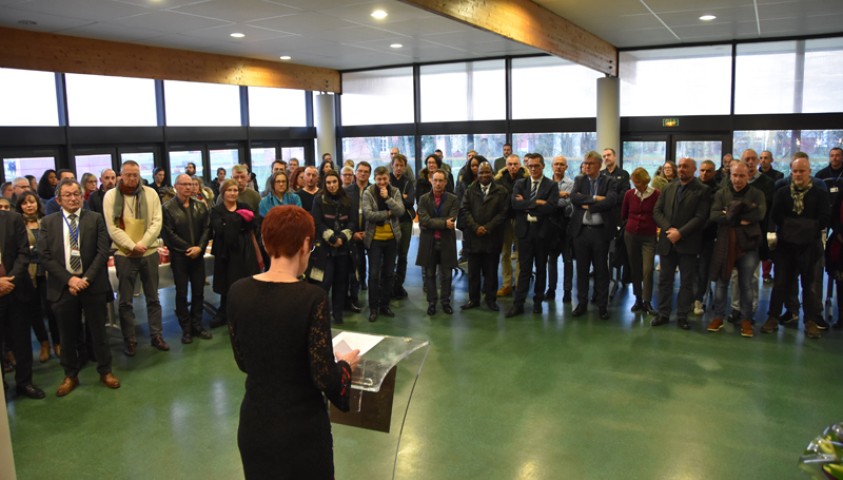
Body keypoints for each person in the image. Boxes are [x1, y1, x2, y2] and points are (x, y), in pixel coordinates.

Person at [227, 205, 359, 479]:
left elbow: (243, 361)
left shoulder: (238, 292)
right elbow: (324, 376)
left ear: (265, 242)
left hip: (255, 424)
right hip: (301, 429)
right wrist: (345, 366)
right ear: (306, 244)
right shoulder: (312, 298)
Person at [39, 178, 120, 397]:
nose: (73, 198)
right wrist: (70, 280)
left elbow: (103, 252)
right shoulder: (48, 222)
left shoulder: (94, 219)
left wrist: (85, 278)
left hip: (92, 285)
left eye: (76, 193)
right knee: (67, 335)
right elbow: (44, 257)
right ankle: (70, 375)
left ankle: (105, 371)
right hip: (63, 287)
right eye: (68, 195)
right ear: (58, 199)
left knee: (98, 333)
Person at [103, 160, 167, 357]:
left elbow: (157, 222)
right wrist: (132, 246)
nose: (132, 178)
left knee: (153, 297)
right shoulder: (111, 196)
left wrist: (144, 244)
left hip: (148, 252)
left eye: (136, 174)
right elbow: (112, 227)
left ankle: (156, 335)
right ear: (121, 175)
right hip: (125, 254)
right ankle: (129, 339)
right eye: (128, 174)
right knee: (125, 301)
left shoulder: (151, 193)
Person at [761, 156, 828, 338]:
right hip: (785, 247)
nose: (798, 174)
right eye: (795, 171)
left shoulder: (820, 194)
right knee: (781, 283)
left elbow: (824, 219)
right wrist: (800, 226)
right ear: (791, 172)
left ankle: (811, 321)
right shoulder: (782, 193)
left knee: (809, 285)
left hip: (809, 247)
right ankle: (773, 317)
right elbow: (775, 216)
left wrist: (797, 227)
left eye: (802, 171)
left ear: (809, 172)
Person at [707, 161, 766, 338]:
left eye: (742, 175)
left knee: (746, 283)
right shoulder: (721, 193)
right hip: (725, 242)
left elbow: (759, 215)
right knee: (722, 282)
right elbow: (714, 215)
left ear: (748, 175)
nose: (738, 179)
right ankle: (718, 316)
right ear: (729, 175)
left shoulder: (757, 194)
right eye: (735, 175)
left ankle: (746, 319)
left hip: (748, 245)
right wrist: (741, 216)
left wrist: (730, 214)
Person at [651, 158, 710, 330]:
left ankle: (682, 315)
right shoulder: (669, 187)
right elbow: (657, 210)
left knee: (686, 282)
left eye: (686, 167)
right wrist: (669, 229)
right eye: (680, 166)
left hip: (688, 243)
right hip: (667, 241)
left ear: (694, 169)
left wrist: (680, 233)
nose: (682, 169)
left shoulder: (702, 190)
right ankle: (663, 313)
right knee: (664, 280)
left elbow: (700, 217)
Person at [0, 196, 46, 400]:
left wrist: (9, 280)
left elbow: (23, 253)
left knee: (22, 339)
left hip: (17, 287)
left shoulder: (13, 219)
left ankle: (24, 382)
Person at [506, 153, 560, 317]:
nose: (534, 169)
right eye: (530, 166)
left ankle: (538, 301)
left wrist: (527, 204)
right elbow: (515, 204)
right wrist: (537, 202)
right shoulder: (520, 183)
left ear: (543, 166)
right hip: (525, 233)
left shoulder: (551, 185)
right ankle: (518, 304)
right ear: (527, 166)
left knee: (541, 269)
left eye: (537, 165)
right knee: (524, 270)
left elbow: (551, 207)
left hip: (543, 233)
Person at [162, 174, 213, 344]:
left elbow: (207, 228)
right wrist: (187, 248)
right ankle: (186, 328)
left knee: (199, 291)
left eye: (191, 184)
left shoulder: (200, 206)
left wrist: (199, 247)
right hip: (180, 257)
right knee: (182, 293)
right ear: (176, 186)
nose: (188, 187)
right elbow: (168, 233)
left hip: (198, 255)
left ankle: (197, 325)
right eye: (184, 184)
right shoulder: (167, 208)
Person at [569, 151, 618, 319]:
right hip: (581, 232)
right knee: (581, 269)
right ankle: (582, 303)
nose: (586, 166)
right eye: (585, 163)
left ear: (599, 165)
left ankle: (602, 305)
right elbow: (574, 198)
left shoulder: (609, 181)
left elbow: (611, 200)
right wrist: (597, 199)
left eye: (590, 163)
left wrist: (589, 204)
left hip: (600, 233)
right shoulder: (579, 180)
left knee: (601, 270)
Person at [210, 179, 262, 328]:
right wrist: (240, 218)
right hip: (226, 253)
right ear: (223, 193)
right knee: (227, 284)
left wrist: (230, 222)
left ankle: (246, 312)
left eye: (235, 190)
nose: (233, 193)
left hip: (245, 250)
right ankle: (225, 313)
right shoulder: (217, 210)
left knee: (246, 282)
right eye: (229, 190)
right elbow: (219, 229)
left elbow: (253, 223)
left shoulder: (244, 206)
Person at [16, 192, 59, 363]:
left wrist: (36, 249)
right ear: (20, 206)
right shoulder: (17, 224)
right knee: (34, 311)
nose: (29, 205)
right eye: (25, 203)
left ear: (37, 204)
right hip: (28, 273)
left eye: (32, 202)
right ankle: (44, 343)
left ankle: (57, 342)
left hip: (48, 271)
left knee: (51, 309)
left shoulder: (46, 221)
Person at [459, 160, 508, 311]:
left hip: (492, 237)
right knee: (473, 273)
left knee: (491, 272)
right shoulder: (470, 190)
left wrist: (487, 228)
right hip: (473, 238)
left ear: (492, 174)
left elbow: (503, 213)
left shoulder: (501, 191)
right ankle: (473, 300)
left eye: (487, 172)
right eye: (481, 172)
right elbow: (465, 210)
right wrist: (475, 227)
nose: (484, 175)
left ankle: (490, 300)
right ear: (477, 174)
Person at [311, 171, 353, 325]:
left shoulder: (348, 200)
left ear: (339, 182)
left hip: (343, 248)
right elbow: (317, 222)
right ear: (324, 184)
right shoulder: (318, 200)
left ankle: (338, 313)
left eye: (334, 181)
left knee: (341, 282)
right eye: (328, 182)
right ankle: (321, 314)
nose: (332, 185)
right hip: (324, 249)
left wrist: (342, 237)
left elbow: (352, 222)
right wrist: (330, 237)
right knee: (324, 283)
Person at [362, 166, 404, 322]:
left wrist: (388, 199)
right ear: (374, 178)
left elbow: (400, 211)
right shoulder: (368, 192)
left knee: (388, 274)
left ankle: (385, 305)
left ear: (388, 178)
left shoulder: (395, 192)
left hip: (391, 239)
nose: (381, 182)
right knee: (373, 275)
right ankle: (373, 308)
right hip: (375, 240)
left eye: (384, 179)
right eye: (379, 179)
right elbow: (368, 214)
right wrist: (387, 214)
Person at [417, 170, 459, 315]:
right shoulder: (423, 199)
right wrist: (442, 223)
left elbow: (452, 220)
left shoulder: (453, 199)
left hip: (446, 241)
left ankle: (446, 302)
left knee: (446, 274)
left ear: (446, 182)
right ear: (431, 181)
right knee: (429, 274)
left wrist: (430, 223)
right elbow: (423, 220)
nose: (438, 183)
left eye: (441, 181)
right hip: (429, 242)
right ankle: (432, 302)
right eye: (435, 180)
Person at [621, 167, 659, 315]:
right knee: (634, 268)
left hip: (649, 236)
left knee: (648, 269)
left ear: (645, 181)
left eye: (638, 182)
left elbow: (658, 213)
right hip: (631, 235)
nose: (635, 185)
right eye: (634, 182)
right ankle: (637, 299)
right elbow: (624, 213)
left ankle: (647, 300)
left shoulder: (656, 194)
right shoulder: (629, 194)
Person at [494, 154, 527, 297]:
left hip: (521, 219)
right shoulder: (499, 180)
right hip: (505, 220)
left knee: (521, 253)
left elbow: (528, 198)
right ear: (506, 165)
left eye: (515, 164)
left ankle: (519, 284)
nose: (513, 167)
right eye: (510, 164)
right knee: (505, 253)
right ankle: (507, 284)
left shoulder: (526, 179)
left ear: (519, 165)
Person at [546, 155, 575, 303]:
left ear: (566, 167)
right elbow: (546, 203)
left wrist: (550, 199)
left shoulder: (571, 184)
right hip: (550, 226)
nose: (558, 167)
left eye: (562, 165)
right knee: (551, 260)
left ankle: (567, 290)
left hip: (566, 225)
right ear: (551, 166)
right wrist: (558, 195)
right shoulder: (545, 183)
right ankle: (551, 289)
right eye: (556, 164)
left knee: (567, 260)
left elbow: (566, 203)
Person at [693, 160, 720, 315]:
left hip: (708, 234)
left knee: (704, 269)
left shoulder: (718, 190)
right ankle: (690, 298)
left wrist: (699, 226)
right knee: (690, 269)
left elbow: (714, 214)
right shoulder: (693, 186)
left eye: (708, 171)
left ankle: (699, 300)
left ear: (714, 172)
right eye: (702, 170)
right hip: (690, 234)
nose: (705, 173)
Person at [345, 162, 371, 313]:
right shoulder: (347, 191)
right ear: (355, 173)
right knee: (354, 262)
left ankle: (365, 280)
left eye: (366, 171)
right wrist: (352, 232)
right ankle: (354, 298)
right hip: (352, 233)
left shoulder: (373, 190)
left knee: (370, 263)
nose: (362, 174)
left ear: (369, 174)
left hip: (370, 232)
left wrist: (368, 231)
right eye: (360, 171)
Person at [389, 153, 415, 300]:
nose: (399, 168)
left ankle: (399, 284)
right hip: (390, 221)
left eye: (401, 165)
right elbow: (384, 199)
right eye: (396, 165)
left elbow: (410, 201)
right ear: (392, 165)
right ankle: (389, 284)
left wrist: (395, 198)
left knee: (403, 255)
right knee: (391, 255)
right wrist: (401, 197)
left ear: (405, 167)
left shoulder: (409, 182)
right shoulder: (386, 180)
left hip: (405, 221)